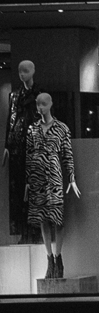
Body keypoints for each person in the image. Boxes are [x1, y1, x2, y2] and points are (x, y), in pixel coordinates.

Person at [24, 92, 78, 278]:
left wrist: (71, 178)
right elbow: (29, 155)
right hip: (38, 178)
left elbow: (68, 155)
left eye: (44, 104)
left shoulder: (62, 129)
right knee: (43, 219)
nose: (40, 108)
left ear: (51, 104)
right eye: (38, 104)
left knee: (57, 218)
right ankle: (49, 258)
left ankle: (58, 256)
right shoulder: (32, 129)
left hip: (54, 176)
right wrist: (28, 181)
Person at [1, 58, 39, 242]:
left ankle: (35, 230)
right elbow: (11, 119)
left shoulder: (39, 94)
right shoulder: (14, 96)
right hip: (17, 148)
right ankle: (24, 230)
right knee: (18, 190)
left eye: (25, 71)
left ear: (32, 71)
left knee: (33, 187)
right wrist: (8, 145)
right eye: (19, 71)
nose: (22, 74)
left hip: (33, 148)